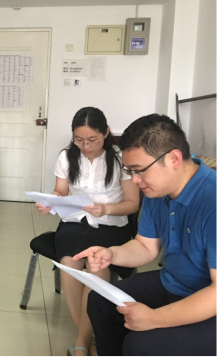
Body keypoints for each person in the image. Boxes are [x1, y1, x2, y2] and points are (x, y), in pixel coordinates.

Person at [75, 114, 217, 356]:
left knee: (141, 345)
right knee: (100, 302)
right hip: (174, 283)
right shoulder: (157, 190)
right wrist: (112, 254)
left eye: (139, 171)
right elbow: (145, 246)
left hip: (209, 301)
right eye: (130, 171)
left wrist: (154, 318)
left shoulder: (211, 199)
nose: (135, 180)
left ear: (173, 158)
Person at [36, 107, 139, 357]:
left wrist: (106, 208)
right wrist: (51, 200)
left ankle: (81, 341)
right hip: (74, 222)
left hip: (111, 224)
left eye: (92, 140)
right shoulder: (66, 157)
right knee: (69, 264)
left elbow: (132, 204)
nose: (85, 146)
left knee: (96, 266)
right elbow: (61, 191)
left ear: (106, 133)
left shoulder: (120, 159)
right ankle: (87, 339)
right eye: (79, 140)